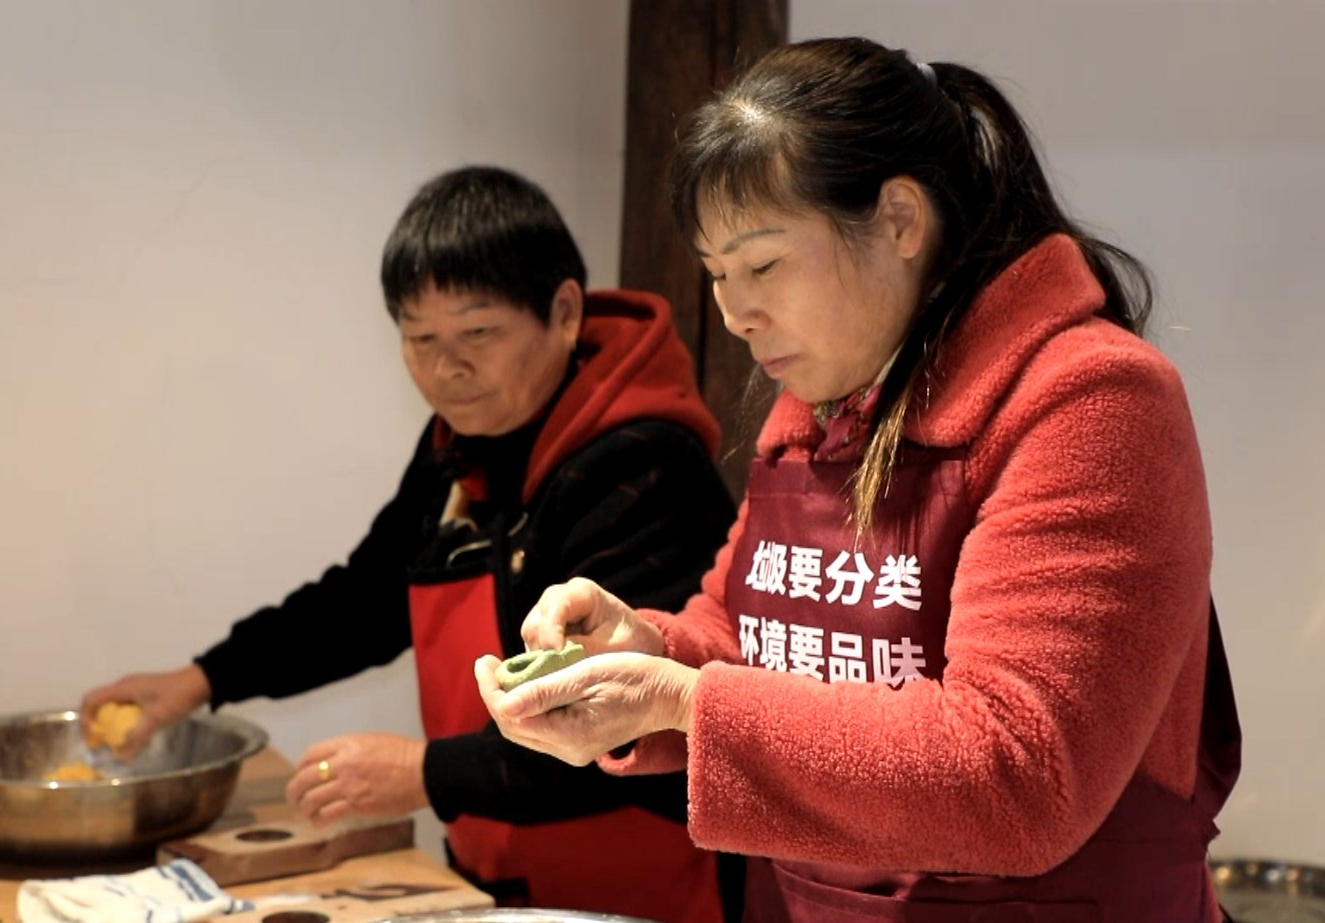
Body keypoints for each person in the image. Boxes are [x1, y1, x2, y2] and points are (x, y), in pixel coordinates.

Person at [475, 38, 1240, 923]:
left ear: (900, 221)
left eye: (761, 265)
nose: (733, 312)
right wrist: (644, 654)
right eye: (716, 274)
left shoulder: (1089, 398)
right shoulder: (820, 398)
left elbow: (1015, 773)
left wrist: (688, 701)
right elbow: (742, 629)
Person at [84, 166, 740, 922]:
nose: (444, 368)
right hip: (492, 883)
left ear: (563, 312)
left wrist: (425, 772)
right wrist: (201, 678)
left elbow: (629, 718)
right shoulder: (456, 450)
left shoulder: (643, 464)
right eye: (418, 337)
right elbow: (364, 601)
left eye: (477, 334)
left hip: (642, 892)